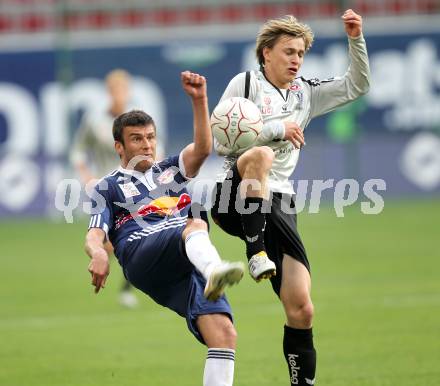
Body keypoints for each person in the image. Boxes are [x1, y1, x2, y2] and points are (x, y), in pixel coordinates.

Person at [211, 9, 370, 386]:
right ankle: (255, 253)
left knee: (301, 308)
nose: (296, 60)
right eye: (289, 52)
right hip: (234, 196)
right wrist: (275, 128)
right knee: (260, 155)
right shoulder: (244, 85)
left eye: (301, 53)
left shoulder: (306, 93)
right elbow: (220, 142)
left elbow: (357, 85)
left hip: (280, 202)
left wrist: (355, 39)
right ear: (266, 53)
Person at [85, 71, 244, 386]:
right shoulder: (107, 186)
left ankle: (211, 271)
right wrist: (97, 254)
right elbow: (94, 233)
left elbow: (201, 150)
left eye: (150, 137)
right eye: (136, 139)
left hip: (185, 262)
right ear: (119, 146)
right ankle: (214, 270)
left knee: (224, 335)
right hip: (141, 253)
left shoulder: (169, 170)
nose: (146, 145)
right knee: (194, 222)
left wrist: (199, 100)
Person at [71, 69, 164, 308]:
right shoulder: (95, 121)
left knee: (125, 238)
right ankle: (123, 280)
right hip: (107, 189)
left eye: (123, 89)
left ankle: (125, 285)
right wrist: (86, 176)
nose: (119, 94)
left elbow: (156, 148)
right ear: (108, 92)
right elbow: (78, 151)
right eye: (114, 90)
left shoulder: (139, 122)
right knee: (110, 241)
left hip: (135, 187)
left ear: (128, 91)